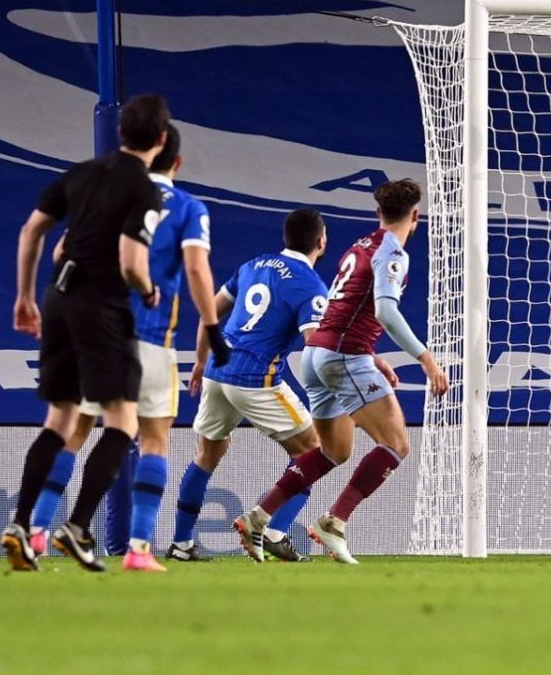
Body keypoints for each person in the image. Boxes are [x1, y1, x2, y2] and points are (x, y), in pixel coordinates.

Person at [26, 123, 224, 571]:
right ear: (175, 161)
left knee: (74, 432)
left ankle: (35, 533)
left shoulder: (107, 196)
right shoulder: (190, 208)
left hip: (95, 329)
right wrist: (211, 327)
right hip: (151, 338)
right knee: (154, 441)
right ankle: (138, 549)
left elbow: (60, 255)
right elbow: (196, 270)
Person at [235, 179, 448, 564]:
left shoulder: (359, 246)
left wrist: (372, 355)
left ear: (377, 213)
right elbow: (385, 311)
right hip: (344, 356)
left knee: (334, 451)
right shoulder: (393, 252)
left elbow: (346, 309)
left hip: (315, 356)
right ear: (416, 216)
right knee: (396, 444)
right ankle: (334, 522)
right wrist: (426, 359)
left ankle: (258, 516)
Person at [2, 93, 170, 573]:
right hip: (102, 306)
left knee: (59, 420)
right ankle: (75, 527)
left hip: (57, 300)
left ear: (120, 133)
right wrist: (150, 289)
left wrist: (24, 297)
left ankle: (18, 525)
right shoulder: (143, 190)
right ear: (159, 141)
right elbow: (132, 261)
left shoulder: (80, 174)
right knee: (122, 423)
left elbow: (33, 232)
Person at [171, 208, 333, 563]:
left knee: (207, 455)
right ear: (321, 242)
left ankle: (181, 544)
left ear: (286, 238)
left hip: (217, 369)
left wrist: (200, 362)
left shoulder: (254, 265)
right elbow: (314, 345)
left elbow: (210, 313)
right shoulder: (310, 286)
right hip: (256, 379)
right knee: (314, 451)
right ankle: (274, 531)